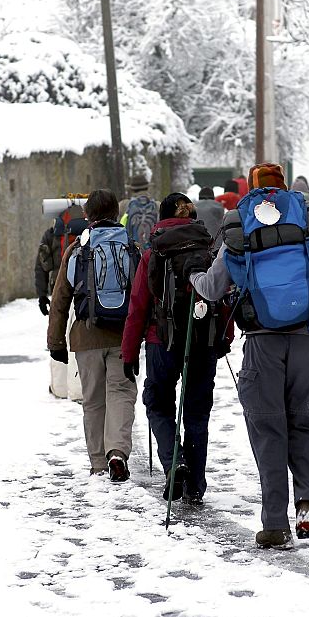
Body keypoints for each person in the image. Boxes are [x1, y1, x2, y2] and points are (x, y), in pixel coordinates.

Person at [188, 163, 309, 549]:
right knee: (300, 419)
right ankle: (308, 506)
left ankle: (276, 523)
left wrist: (194, 277)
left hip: (263, 342)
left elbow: (213, 289)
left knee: (268, 429)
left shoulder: (241, 222)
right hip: (308, 338)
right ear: (282, 185)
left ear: (252, 186)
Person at [121, 193, 219, 505]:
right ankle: (195, 486)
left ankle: (174, 462)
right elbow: (220, 295)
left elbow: (138, 307)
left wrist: (129, 352)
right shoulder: (208, 249)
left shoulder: (154, 253)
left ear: (161, 218)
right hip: (202, 339)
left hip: (160, 341)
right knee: (197, 411)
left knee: (158, 403)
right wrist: (224, 337)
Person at [47, 189, 137, 481]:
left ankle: (98, 462)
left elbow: (61, 298)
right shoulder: (131, 247)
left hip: (86, 337)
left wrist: (56, 343)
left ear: (87, 215)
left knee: (94, 400)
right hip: (123, 335)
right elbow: (142, 296)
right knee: (121, 394)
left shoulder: (76, 250)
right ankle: (117, 453)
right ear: (115, 213)